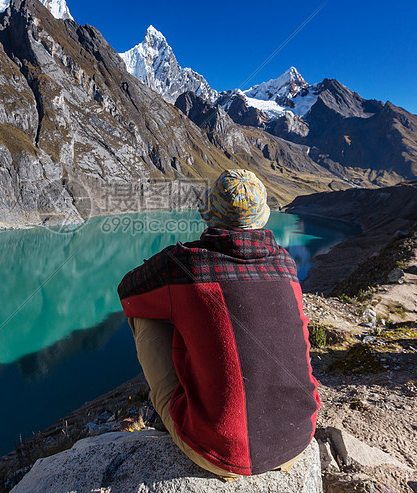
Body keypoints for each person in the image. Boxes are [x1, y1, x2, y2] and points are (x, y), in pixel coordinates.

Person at [117, 169, 320, 479]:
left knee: (144, 312)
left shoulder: (185, 265)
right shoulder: (286, 265)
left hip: (222, 453)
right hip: (298, 438)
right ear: (262, 218)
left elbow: (128, 292)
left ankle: (189, 413)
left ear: (210, 215)